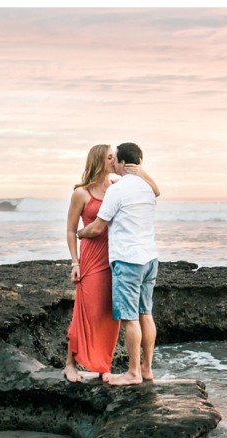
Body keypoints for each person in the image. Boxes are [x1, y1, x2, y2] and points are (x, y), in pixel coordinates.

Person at [64, 144, 160, 383]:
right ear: (99, 161)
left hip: (116, 256)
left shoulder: (119, 188)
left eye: (114, 157)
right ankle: (70, 364)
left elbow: (97, 227)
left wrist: (139, 171)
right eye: (109, 157)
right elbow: (70, 229)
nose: (113, 161)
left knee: (112, 317)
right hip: (93, 257)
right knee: (85, 312)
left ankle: (102, 365)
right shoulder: (81, 193)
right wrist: (75, 262)